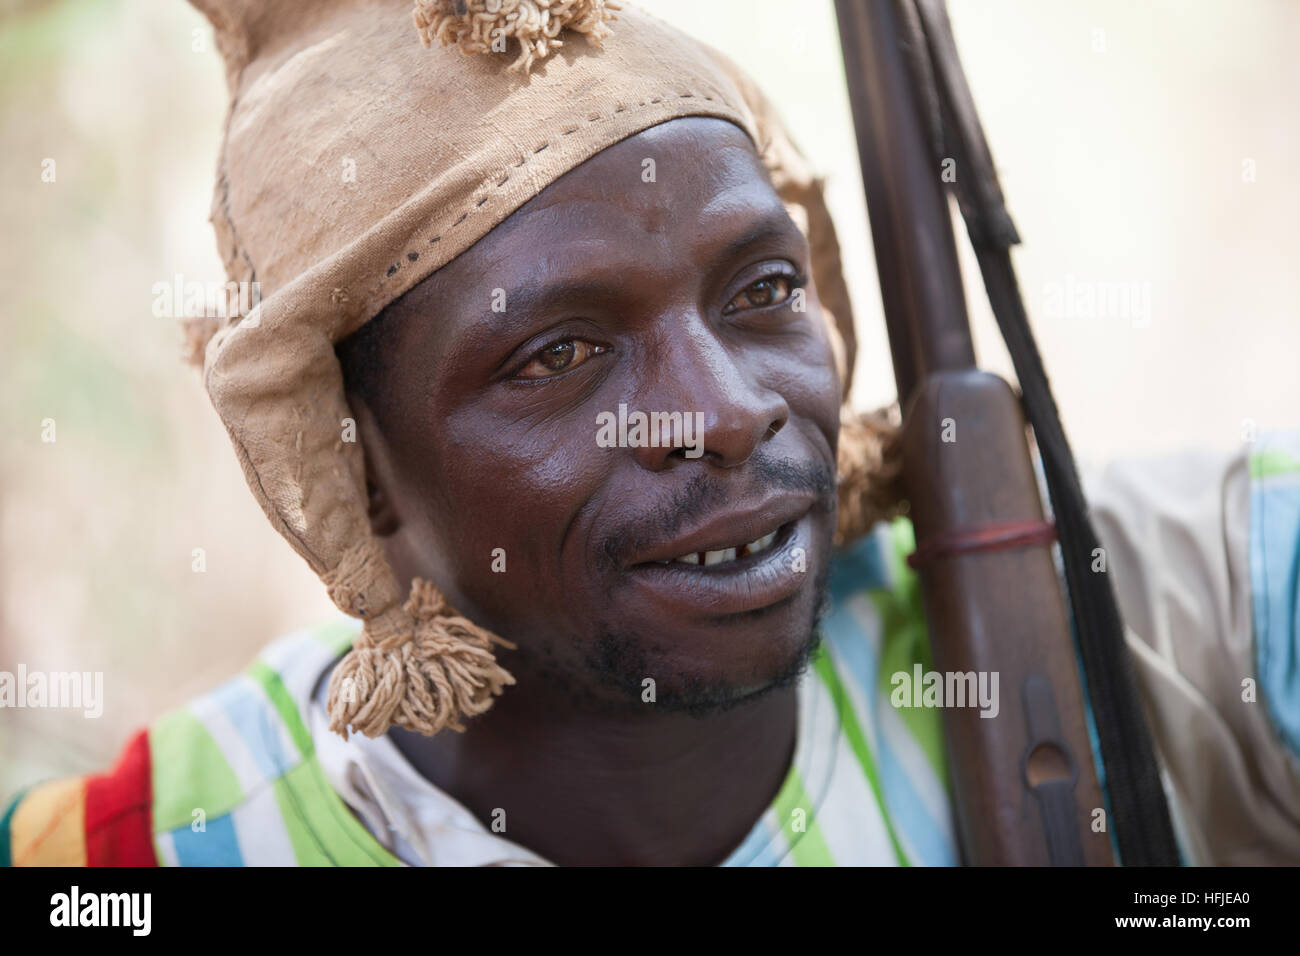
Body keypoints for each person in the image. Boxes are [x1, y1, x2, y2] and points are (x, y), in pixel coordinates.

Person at [2, 0, 1296, 867]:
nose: (728, 411)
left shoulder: (1134, 624)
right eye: (559, 354)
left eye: (763, 293)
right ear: (353, 473)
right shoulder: (146, 847)